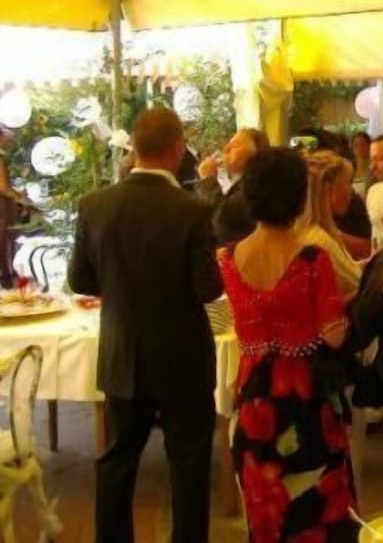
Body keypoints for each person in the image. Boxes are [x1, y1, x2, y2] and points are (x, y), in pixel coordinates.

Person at [67, 108, 222, 543]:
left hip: (123, 354)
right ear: (177, 149)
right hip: (182, 357)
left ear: (133, 148)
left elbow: (80, 281)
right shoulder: (192, 211)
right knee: (188, 461)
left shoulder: (95, 205)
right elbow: (208, 289)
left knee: (118, 460)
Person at [219, 148, 358, 542]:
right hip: (306, 400)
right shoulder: (312, 258)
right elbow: (333, 334)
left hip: (253, 398)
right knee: (320, 513)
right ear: (299, 195)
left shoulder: (228, 258)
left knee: (268, 515)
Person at [299, 151, 363, 298]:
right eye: (348, 183)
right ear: (328, 188)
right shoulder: (318, 239)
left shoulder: (324, 231)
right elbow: (355, 285)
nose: (351, 191)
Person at [196, 127, 269, 246]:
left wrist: (208, 179)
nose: (225, 149)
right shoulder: (242, 183)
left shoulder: (256, 186)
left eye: (234, 145)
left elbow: (222, 220)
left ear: (256, 154)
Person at [0, 126, 32, 287]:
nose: (9, 140)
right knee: (5, 243)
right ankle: (7, 279)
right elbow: (3, 187)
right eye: (6, 136)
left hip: (6, 207)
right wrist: (22, 199)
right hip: (2, 208)